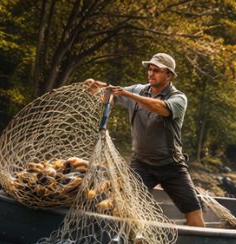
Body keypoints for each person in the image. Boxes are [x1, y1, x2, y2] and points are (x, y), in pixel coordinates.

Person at [84, 53, 205, 227]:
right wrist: (98, 88)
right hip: (141, 164)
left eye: (156, 70)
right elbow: (110, 96)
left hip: (172, 165)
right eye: (149, 69)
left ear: (169, 75)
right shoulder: (137, 89)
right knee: (122, 205)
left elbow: (159, 107)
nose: (151, 73)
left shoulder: (178, 98)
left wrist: (129, 94)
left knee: (192, 209)